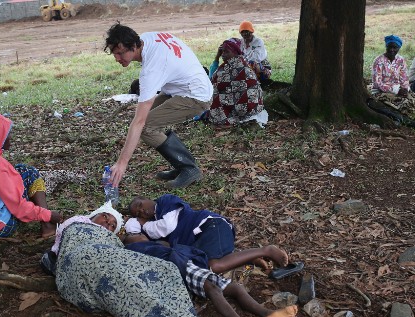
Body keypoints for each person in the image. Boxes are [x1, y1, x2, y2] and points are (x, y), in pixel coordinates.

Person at [46, 202, 220, 317]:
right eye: (105, 216)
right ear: (94, 214)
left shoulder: (112, 242)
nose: (108, 222)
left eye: (113, 225)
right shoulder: (76, 223)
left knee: (167, 269)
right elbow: (54, 254)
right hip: (84, 261)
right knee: (127, 281)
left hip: (100, 265)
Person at [122, 233, 298, 317]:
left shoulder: (155, 243)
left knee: (235, 288)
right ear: (130, 242)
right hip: (178, 267)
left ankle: (267, 314)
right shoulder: (135, 250)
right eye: (134, 235)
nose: (140, 234)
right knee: (211, 287)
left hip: (185, 265)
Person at [104, 22, 212, 189]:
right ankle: (182, 166)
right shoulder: (147, 39)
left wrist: (121, 164)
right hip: (182, 87)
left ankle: (188, 168)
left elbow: (139, 122)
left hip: (195, 96)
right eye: (114, 54)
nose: (117, 58)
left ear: (133, 46)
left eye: (119, 53)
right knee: (147, 120)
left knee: (146, 126)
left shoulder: (151, 69)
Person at [125, 194, 289, 274]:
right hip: (200, 241)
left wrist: (143, 224)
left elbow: (166, 226)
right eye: (138, 213)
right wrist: (134, 226)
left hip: (210, 225)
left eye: (140, 204)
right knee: (201, 266)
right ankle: (249, 257)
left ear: (146, 198)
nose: (142, 211)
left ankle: (266, 250)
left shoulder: (164, 202)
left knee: (214, 266)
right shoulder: (154, 226)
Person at [0, 113, 62, 238]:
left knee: (21, 169)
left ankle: (45, 222)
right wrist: (49, 215)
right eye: (7, 133)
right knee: (30, 173)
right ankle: (47, 225)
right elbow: (18, 206)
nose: (10, 137)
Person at [205, 38, 267, 127]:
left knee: (213, 97)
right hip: (255, 107)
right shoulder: (242, 63)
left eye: (226, 52)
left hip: (245, 108)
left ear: (234, 52)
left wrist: (216, 58)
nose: (223, 55)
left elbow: (212, 83)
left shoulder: (233, 66)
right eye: (222, 52)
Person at [239, 21, 272, 85]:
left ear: (251, 31)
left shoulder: (258, 42)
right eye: (243, 32)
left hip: (262, 66)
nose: (245, 34)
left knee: (252, 64)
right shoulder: (240, 42)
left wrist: (243, 61)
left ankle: (260, 83)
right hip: (247, 65)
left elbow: (256, 58)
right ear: (240, 33)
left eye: (247, 31)